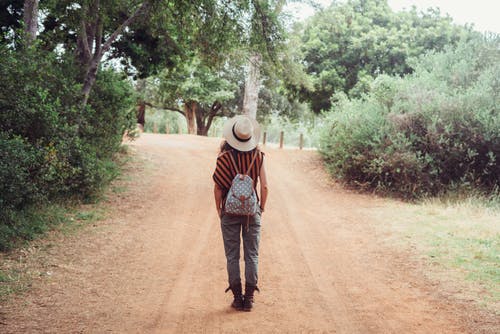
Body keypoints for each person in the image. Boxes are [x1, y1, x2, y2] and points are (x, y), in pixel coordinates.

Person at [212, 115, 268, 312]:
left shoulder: (224, 158)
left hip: (230, 211)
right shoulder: (258, 156)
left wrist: (220, 209)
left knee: (232, 256)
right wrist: (260, 209)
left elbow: (218, 188)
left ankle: (237, 298)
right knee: (252, 255)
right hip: (252, 213)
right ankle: (249, 299)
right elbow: (265, 187)